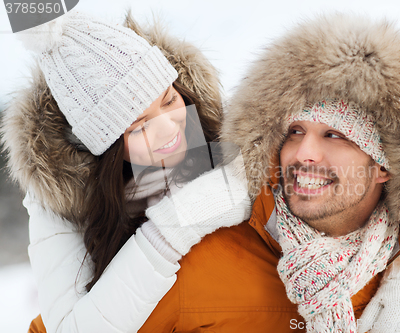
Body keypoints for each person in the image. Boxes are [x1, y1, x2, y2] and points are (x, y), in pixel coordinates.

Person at [1, 10, 252, 332]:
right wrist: (172, 228)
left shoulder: (237, 149)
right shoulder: (61, 202)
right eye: (138, 127)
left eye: (169, 100)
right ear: (107, 150)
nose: (167, 129)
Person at [220, 14, 400, 332]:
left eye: (335, 135)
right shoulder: (212, 254)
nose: (303, 152)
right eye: (295, 130)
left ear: (384, 167)